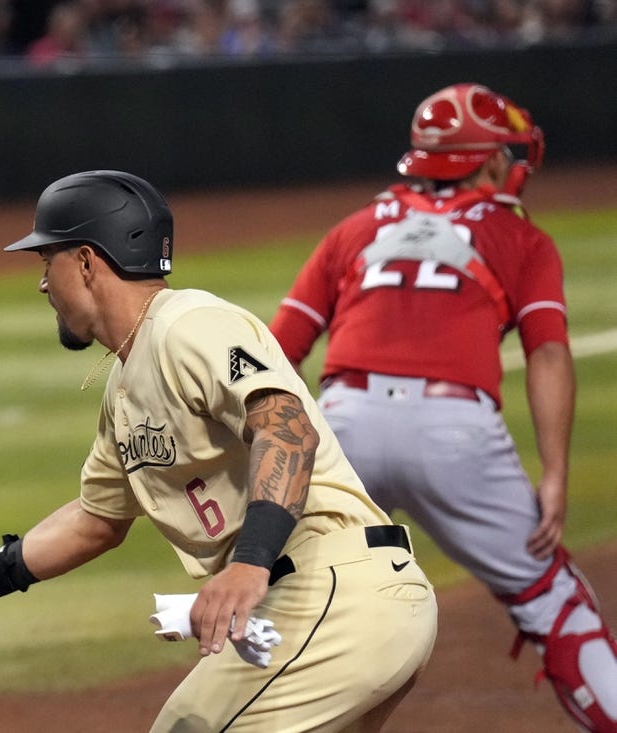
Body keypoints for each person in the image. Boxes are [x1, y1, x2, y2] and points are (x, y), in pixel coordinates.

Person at [0, 169, 438, 731]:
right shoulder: (128, 376)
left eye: (45, 262)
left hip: (332, 595)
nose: (41, 284)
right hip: (336, 607)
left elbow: (286, 428)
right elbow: (99, 518)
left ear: (85, 262)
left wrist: (250, 563)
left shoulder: (189, 324)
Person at [267, 82, 617, 732]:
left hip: (343, 426)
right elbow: (547, 353)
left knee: (300, 606)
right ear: (486, 161)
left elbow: (276, 350)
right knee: (551, 598)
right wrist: (556, 472)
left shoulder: (354, 228)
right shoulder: (518, 236)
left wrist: (266, 470)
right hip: (453, 431)